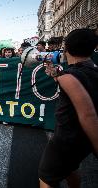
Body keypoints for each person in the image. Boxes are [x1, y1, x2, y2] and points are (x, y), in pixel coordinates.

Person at [38, 29, 98, 188]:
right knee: (70, 168)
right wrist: (56, 75)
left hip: (66, 139)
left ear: (66, 48)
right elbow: (75, 80)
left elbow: (88, 116)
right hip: (81, 142)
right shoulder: (92, 69)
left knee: (46, 179)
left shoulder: (70, 77)